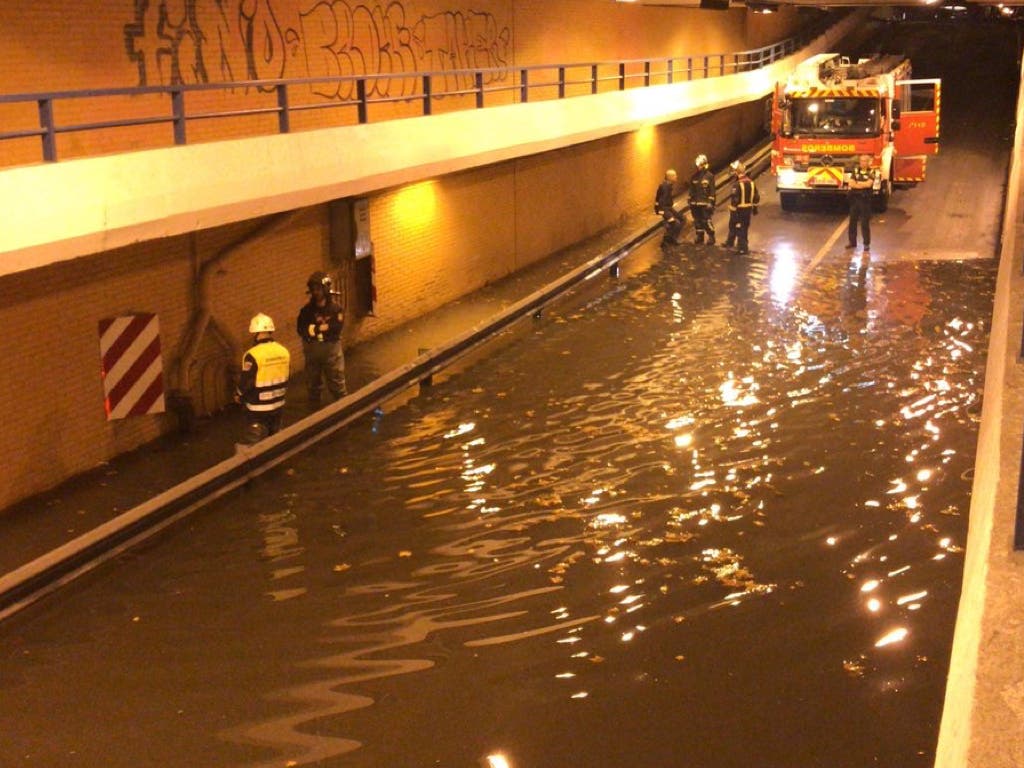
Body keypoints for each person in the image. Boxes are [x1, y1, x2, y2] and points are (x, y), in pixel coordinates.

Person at [235, 313, 290, 444]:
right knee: (275, 438)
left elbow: (246, 381)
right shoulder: (284, 351)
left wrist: (238, 395)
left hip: (258, 407)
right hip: (278, 403)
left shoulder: (253, 355)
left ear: (256, 333)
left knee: (256, 440)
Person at [296, 270, 347, 409]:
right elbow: (301, 329)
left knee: (337, 382)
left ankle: (342, 410)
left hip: (331, 349)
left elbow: (335, 328)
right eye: (314, 289)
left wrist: (314, 328)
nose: (316, 292)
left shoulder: (336, 309)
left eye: (319, 289)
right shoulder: (306, 311)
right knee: (313, 384)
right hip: (312, 349)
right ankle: (314, 412)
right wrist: (319, 329)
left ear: (325, 289)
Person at [724, 160, 760, 255]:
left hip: (739, 210)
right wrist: (755, 208)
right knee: (744, 227)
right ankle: (730, 243)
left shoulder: (737, 184)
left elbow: (735, 200)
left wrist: (733, 212)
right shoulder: (751, 182)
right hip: (748, 210)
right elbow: (756, 197)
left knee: (738, 228)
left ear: (737, 172)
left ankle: (742, 248)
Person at [846, 154, 877, 252]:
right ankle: (852, 242)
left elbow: (869, 184)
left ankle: (866, 244)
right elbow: (850, 183)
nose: (863, 163)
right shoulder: (855, 171)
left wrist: (857, 184)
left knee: (864, 223)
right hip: (855, 199)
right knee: (852, 222)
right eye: (861, 161)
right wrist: (861, 184)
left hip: (865, 200)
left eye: (865, 161)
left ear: (868, 162)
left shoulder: (872, 171)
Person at [688, 154, 716, 245]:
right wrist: (690, 201)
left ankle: (711, 236)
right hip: (695, 204)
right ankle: (700, 236)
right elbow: (691, 190)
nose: (698, 167)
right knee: (697, 220)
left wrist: (711, 202)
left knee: (706, 220)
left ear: (704, 165)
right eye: (698, 165)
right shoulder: (694, 177)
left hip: (705, 203)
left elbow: (712, 191)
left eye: (700, 165)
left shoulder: (709, 176)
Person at [654, 168, 685, 246]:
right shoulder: (665, 187)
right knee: (675, 223)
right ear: (670, 177)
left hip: (668, 208)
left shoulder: (668, 185)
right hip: (664, 209)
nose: (676, 177)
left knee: (682, 219)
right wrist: (668, 216)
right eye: (675, 176)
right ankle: (666, 240)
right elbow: (661, 203)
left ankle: (672, 238)